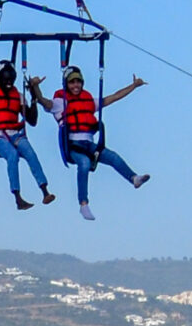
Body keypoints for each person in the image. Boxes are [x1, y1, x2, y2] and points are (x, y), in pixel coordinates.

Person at [53, 65, 152, 219]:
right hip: (73, 146)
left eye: (78, 82)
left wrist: (133, 86)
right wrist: (35, 89)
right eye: (72, 82)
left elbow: (114, 97)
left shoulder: (89, 101)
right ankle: (83, 204)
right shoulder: (60, 102)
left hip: (90, 144)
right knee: (84, 163)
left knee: (113, 157)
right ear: (66, 84)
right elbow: (45, 103)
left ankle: (134, 178)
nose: (76, 85)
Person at [0, 60, 54, 210]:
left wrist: (33, 98)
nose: (9, 83)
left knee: (30, 153)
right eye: (6, 79)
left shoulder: (18, 96)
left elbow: (32, 121)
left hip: (15, 134)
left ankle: (44, 191)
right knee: (12, 155)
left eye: (11, 80)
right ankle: (18, 198)